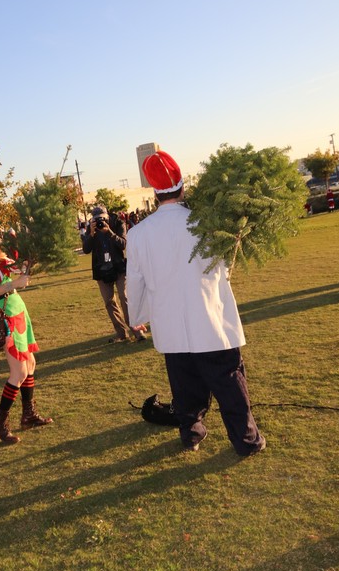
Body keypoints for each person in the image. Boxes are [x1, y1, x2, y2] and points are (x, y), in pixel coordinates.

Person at [126, 150, 265, 458]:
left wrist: (138, 315)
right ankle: (246, 439)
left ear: (154, 190)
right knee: (229, 382)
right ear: (182, 185)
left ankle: (191, 434)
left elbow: (134, 282)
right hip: (210, 317)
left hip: (170, 323)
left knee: (185, 386)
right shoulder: (205, 223)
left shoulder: (137, 234)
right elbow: (225, 267)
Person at [0, 211, 52, 444]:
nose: (0, 234)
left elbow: (10, 274)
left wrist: (25, 267)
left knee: (31, 364)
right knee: (19, 372)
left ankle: (28, 415)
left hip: (17, 311)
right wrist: (15, 283)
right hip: (5, 315)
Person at [82, 205, 146, 343]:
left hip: (118, 266)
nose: (100, 222)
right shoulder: (91, 227)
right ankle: (121, 334)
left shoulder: (118, 223)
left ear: (107, 216)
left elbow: (123, 244)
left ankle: (137, 331)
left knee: (125, 298)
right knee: (109, 302)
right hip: (101, 269)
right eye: (96, 219)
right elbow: (86, 249)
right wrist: (92, 234)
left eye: (102, 219)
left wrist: (109, 232)